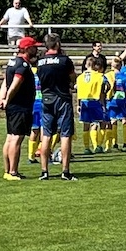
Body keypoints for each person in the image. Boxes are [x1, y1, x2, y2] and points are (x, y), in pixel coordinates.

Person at [35, 34, 78, 181]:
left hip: (46, 99)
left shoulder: (40, 62)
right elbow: (73, 77)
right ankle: (65, 171)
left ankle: (44, 171)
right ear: (58, 44)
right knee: (65, 134)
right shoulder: (64, 60)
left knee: (46, 135)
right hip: (62, 98)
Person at [0, 36, 39, 180]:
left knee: (10, 137)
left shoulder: (12, 62)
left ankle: (7, 171)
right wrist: (7, 99)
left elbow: (5, 82)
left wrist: (2, 98)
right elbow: (15, 83)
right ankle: (13, 172)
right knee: (16, 139)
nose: (36, 49)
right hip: (20, 106)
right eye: (34, 47)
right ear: (27, 49)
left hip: (12, 106)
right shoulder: (23, 65)